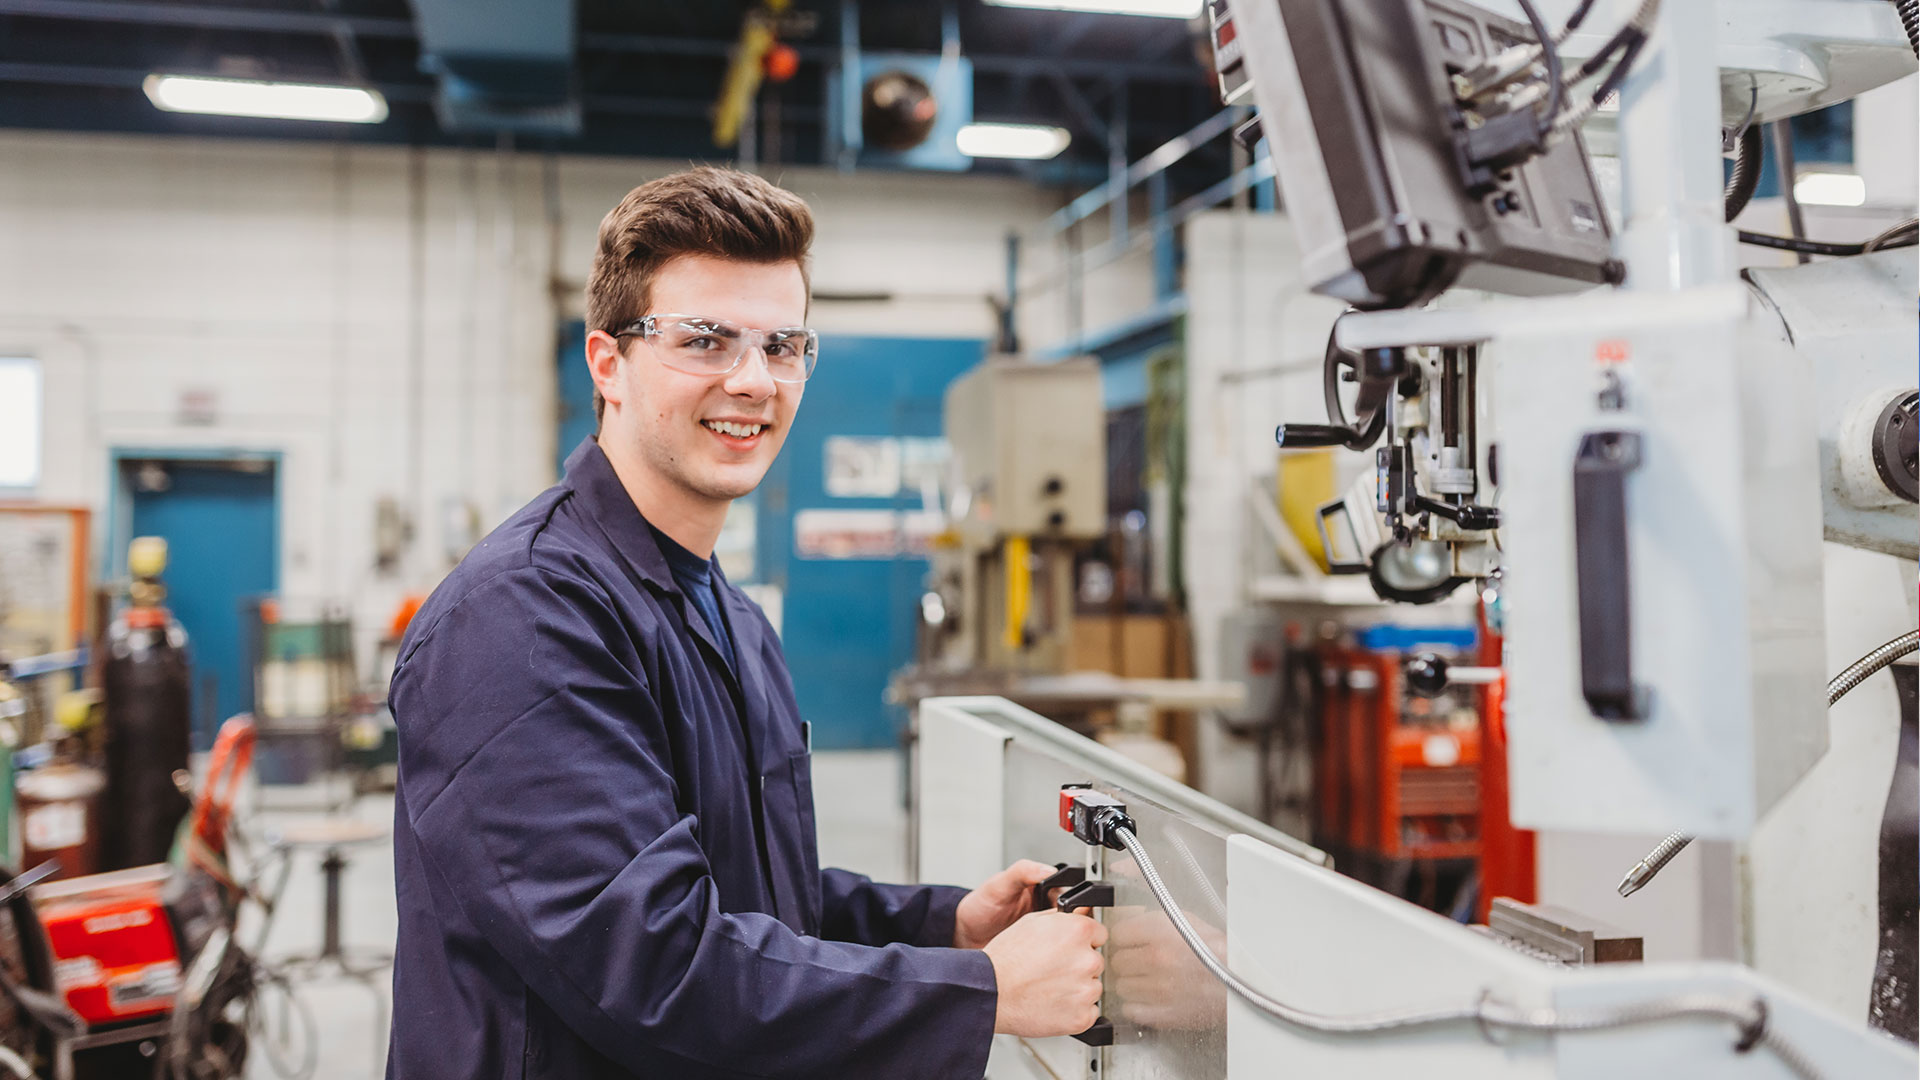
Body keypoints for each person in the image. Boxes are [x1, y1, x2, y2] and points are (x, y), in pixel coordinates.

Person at [387, 166, 1106, 1079]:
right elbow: (659, 967)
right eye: (706, 340)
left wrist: (944, 927)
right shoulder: (523, 620)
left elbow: (749, 895)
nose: (754, 380)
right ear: (608, 364)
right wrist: (981, 993)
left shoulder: (723, 611)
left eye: (783, 345)